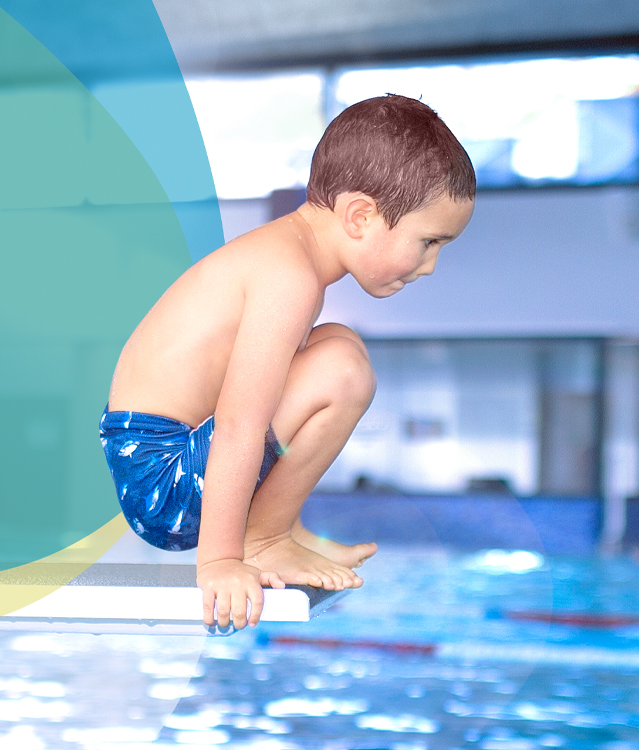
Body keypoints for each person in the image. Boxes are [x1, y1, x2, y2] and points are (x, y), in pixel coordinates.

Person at [100, 95, 476, 630]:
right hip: (164, 482)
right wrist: (221, 563)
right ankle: (264, 539)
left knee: (339, 344)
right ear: (361, 215)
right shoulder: (288, 277)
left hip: (169, 460)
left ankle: (279, 531)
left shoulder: (289, 262)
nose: (431, 266)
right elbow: (238, 426)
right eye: (428, 242)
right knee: (342, 368)